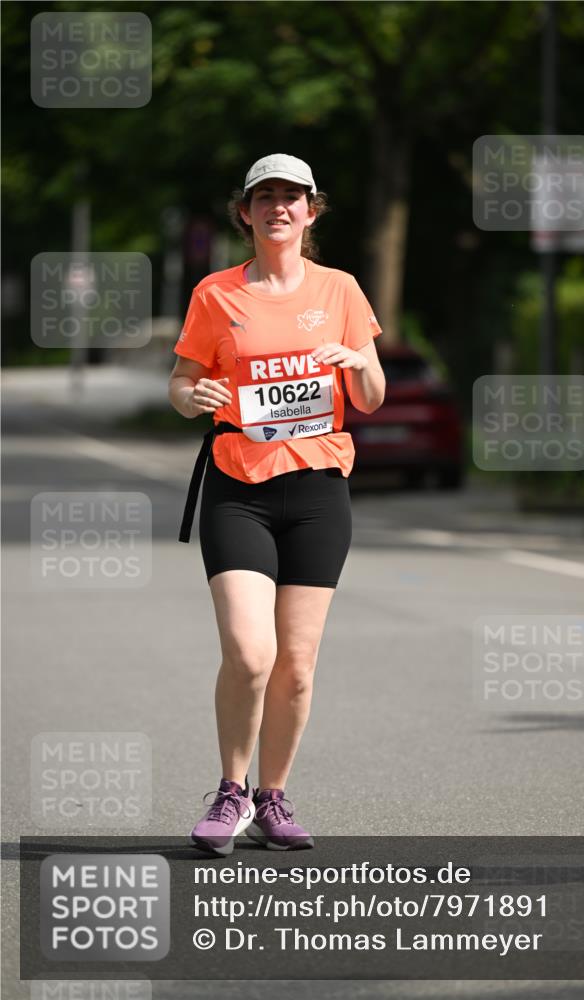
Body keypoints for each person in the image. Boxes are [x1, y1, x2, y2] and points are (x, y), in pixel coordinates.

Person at [168, 153, 385, 855]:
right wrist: (190, 395)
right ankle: (230, 793)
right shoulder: (216, 294)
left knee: (296, 661)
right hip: (239, 487)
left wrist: (360, 366)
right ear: (246, 212)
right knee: (250, 651)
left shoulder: (342, 289)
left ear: (310, 211)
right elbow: (182, 380)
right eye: (265, 198)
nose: (278, 208)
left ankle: (273, 797)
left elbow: (372, 397)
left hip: (318, 491)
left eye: (292, 197)